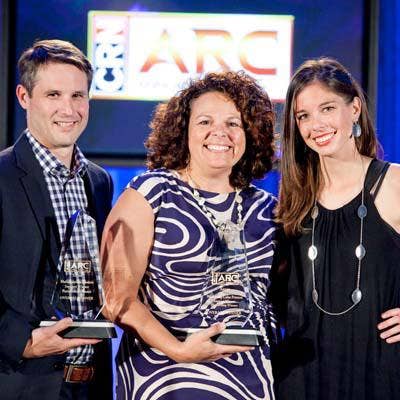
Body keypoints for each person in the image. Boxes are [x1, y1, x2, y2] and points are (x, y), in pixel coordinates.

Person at [101, 71, 279, 399]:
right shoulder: (150, 193)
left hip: (250, 383)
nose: (220, 133)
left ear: (250, 133)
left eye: (233, 123)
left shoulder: (268, 209)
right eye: (205, 122)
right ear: (184, 130)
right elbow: (115, 299)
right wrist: (179, 349)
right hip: (164, 379)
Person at [274, 57, 400, 399]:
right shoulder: (293, 198)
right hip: (301, 376)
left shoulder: (393, 183)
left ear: (354, 109)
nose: (316, 125)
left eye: (327, 108)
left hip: (379, 372)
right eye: (303, 116)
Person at [0, 40, 114, 400]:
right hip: (20, 381)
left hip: (90, 384)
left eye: (78, 96)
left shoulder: (99, 182)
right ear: (24, 97)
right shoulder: (2, 176)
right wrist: (23, 342)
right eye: (53, 95)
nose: (69, 109)